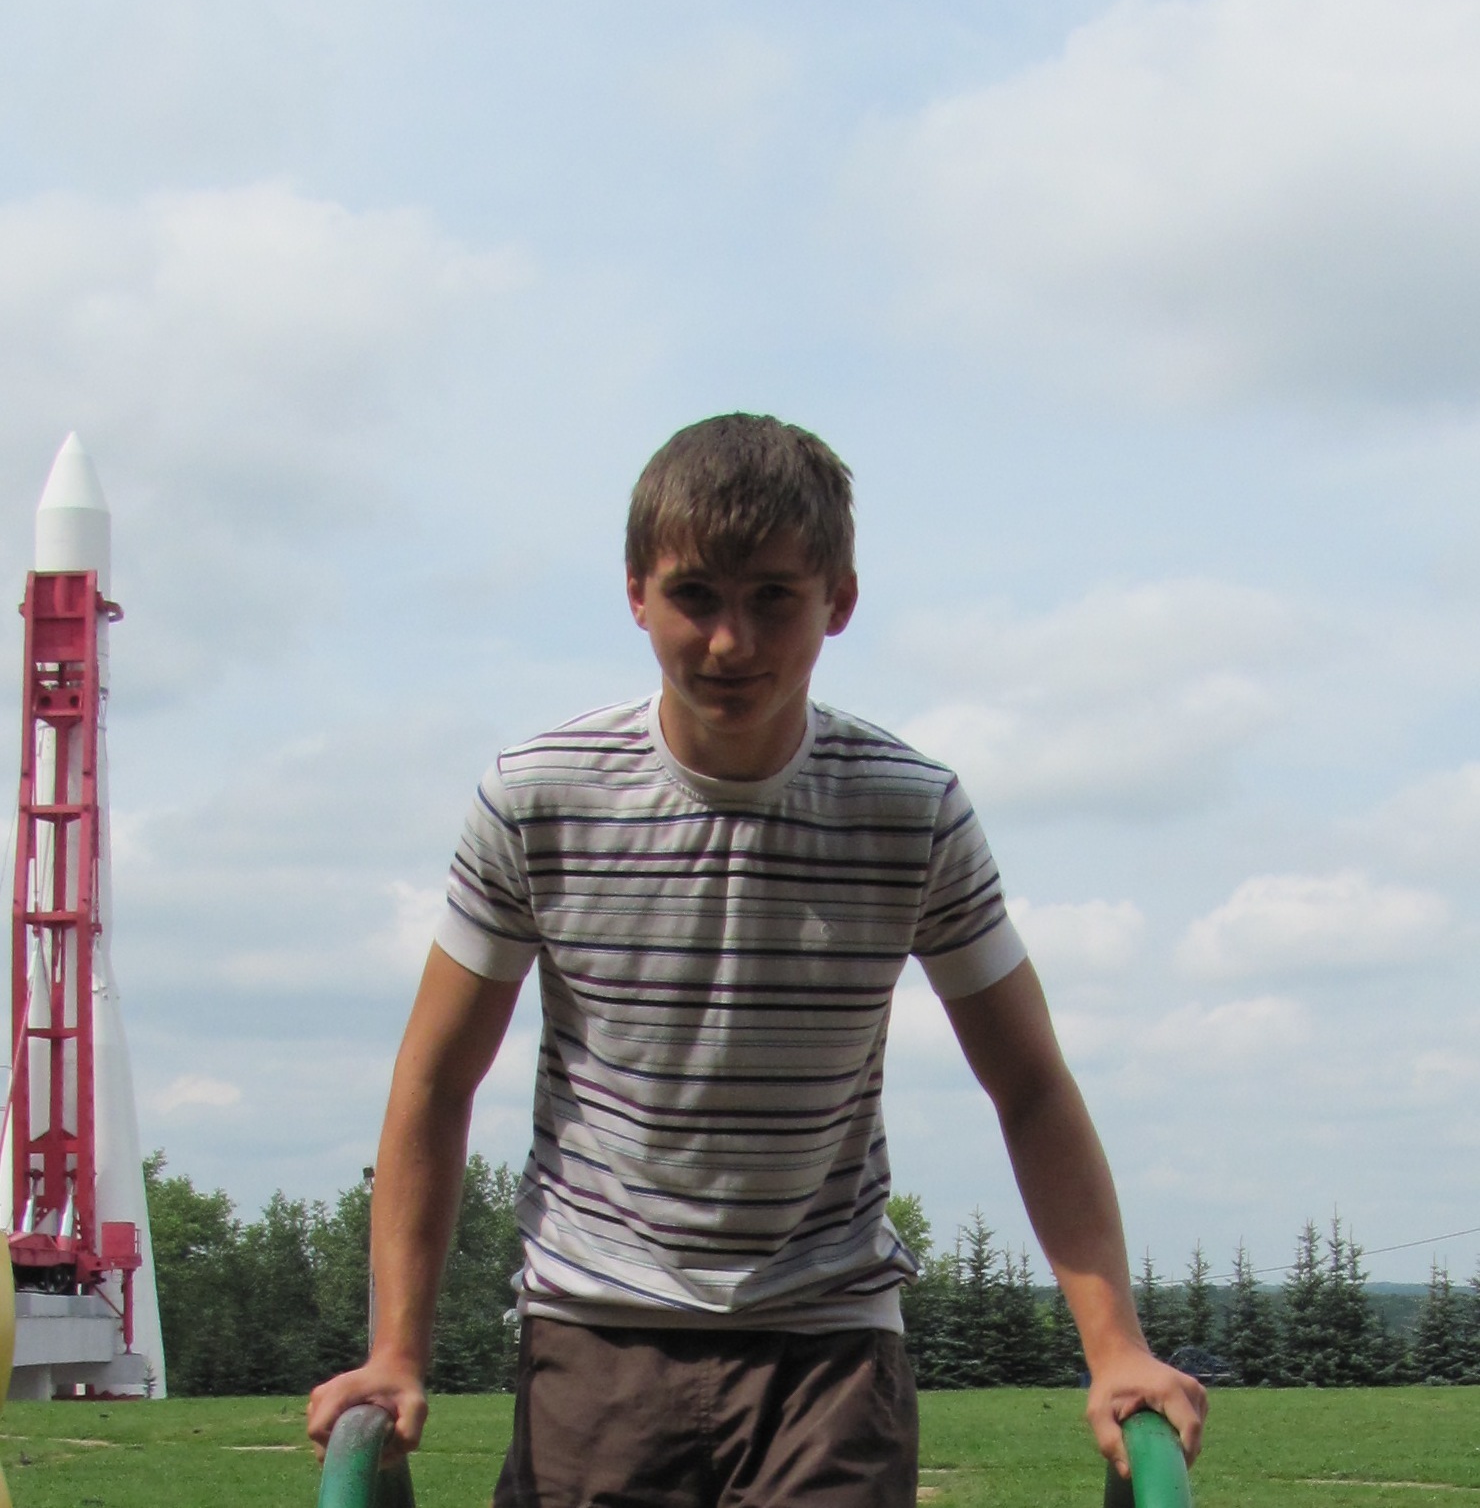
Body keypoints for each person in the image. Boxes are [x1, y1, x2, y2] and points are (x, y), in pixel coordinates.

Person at [308, 413, 1206, 1504]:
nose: (730, 643)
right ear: (636, 594)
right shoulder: (540, 796)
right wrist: (395, 1350)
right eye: (695, 595)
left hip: (827, 1343)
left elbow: (1028, 1083)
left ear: (839, 599)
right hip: (599, 1333)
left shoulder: (909, 809)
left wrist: (1116, 1347)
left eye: (773, 597)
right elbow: (436, 1078)